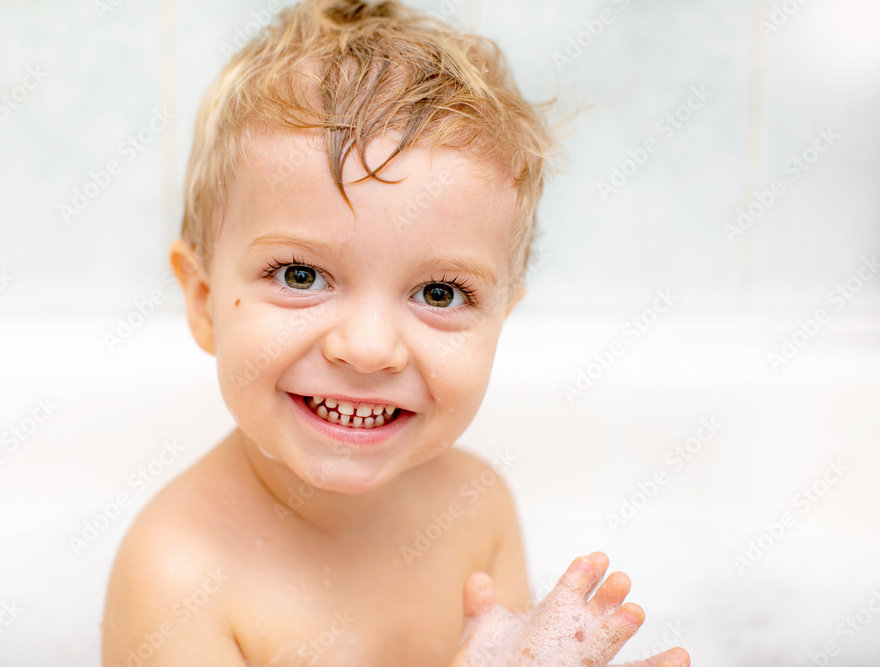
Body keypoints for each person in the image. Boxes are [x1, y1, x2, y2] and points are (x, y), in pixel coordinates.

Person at [102, 1, 691, 665]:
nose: (368, 348)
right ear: (204, 303)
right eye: (300, 275)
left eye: (439, 293)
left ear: (501, 320)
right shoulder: (177, 575)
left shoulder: (476, 509)